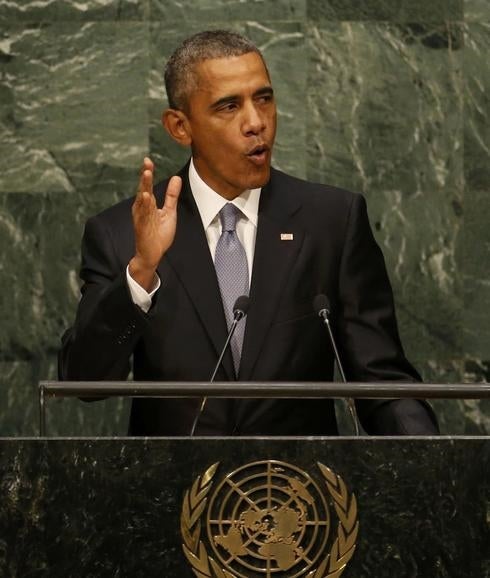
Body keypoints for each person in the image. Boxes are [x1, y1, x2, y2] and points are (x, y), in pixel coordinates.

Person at [59, 30, 438, 436]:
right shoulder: (121, 233)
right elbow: (84, 380)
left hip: (301, 492)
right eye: (228, 106)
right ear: (180, 126)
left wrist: (434, 467)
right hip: (175, 494)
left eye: (264, 98)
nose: (256, 122)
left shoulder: (331, 221)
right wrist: (140, 273)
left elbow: (381, 381)